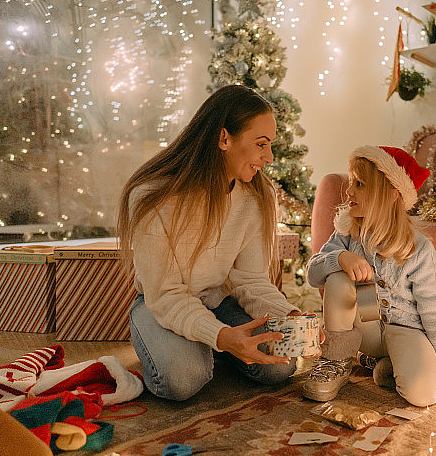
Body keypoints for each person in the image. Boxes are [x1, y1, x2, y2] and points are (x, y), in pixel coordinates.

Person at [117, 84, 305, 401]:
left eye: (270, 145)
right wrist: (222, 336)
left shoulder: (257, 196)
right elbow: (165, 293)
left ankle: (212, 347)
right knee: (183, 380)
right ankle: (198, 349)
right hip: (160, 303)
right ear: (223, 138)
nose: (269, 157)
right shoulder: (153, 197)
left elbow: (251, 280)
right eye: (261, 144)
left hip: (219, 301)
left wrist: (290, 316)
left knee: (280, 366)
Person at [303, 145, 436, 407]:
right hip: (366, 320)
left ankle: (384, 365)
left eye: (359, 184)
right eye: (351, 182)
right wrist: (339, 258)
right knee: (339, 278)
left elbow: (434, 310)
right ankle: (336, 359)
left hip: (405, 328)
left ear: (392, 194)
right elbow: (313, 274)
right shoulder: (346, 233)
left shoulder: (419, 248)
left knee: (423, 395)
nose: (349, 191)